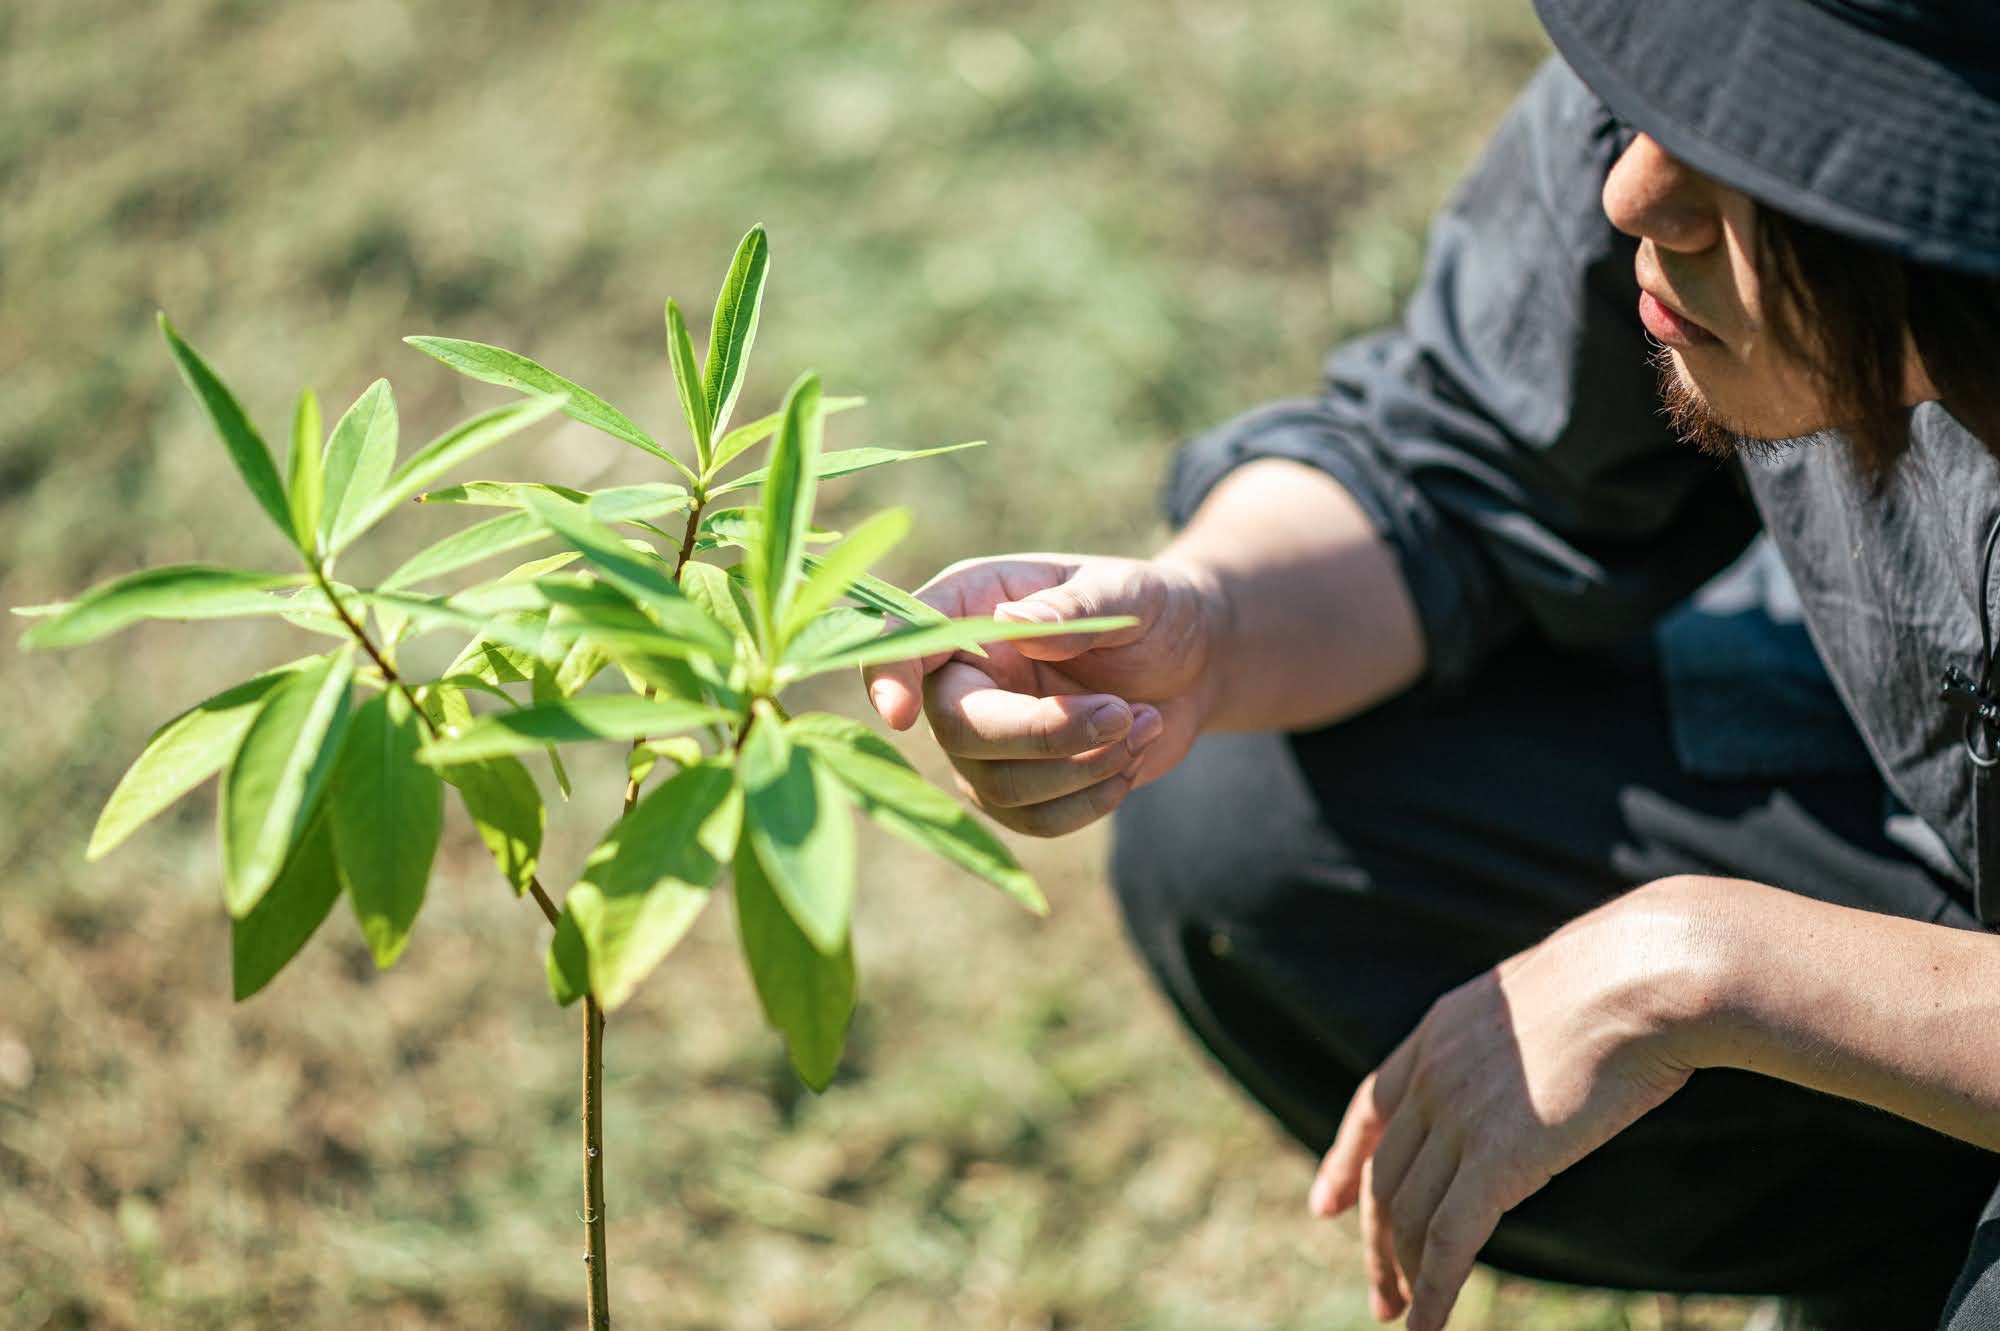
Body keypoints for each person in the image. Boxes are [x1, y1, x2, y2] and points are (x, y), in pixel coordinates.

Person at [863, 1, 2000, 1328]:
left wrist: (1713, 970)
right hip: (1925, 830)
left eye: (1779, 159)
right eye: (1661, 112)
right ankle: (1913, 1231)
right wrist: (1206, 619)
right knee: (1256, 825)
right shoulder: (1698, 92)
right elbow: (1462, 460)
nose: (1640, 195)